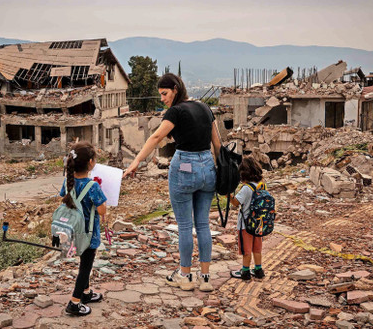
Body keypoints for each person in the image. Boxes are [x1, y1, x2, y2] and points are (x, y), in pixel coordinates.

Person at [123, 73, 221, 292]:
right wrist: (221, 170)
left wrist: (136, 161)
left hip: (185, 166)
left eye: (165, 94)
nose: (162, 99)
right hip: (207, 167)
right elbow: (217, 143)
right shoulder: (205, 107)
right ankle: (205, 278)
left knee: (186, 226)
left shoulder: (175, 111)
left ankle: (185, 276)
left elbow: (156, 137)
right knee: (203, 224)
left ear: (176, 89)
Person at [59, 141, 108, 316]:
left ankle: (86, 294)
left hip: (73, 232)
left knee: (84, 263)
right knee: (85, 268)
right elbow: (102, 210)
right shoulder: (93, 186)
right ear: (91, 163)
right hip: (89, 234)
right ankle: (74, 302)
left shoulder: (67, 182)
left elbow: (63, 198)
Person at [229, 156, 266, 281]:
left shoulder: (246, 188)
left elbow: (236, 203)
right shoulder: (262, 186)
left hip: (246, 225)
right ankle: (258, 269)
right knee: (257, 248)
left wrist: (227, 195)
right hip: (259, 224)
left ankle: (245, 271)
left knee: (246, 249)